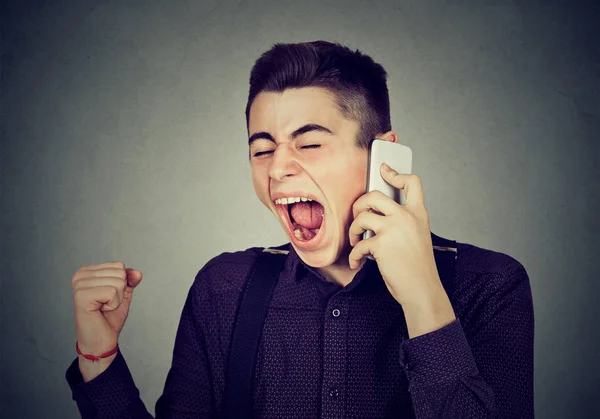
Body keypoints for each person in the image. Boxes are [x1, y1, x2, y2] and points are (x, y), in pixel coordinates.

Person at [66, 41, 534, 418]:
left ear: (382, 155)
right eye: (262, 149)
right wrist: (99, 357)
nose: (278, 169)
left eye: (309, 143)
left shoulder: (489, 286)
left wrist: (423, 299)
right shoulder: (223, 288)